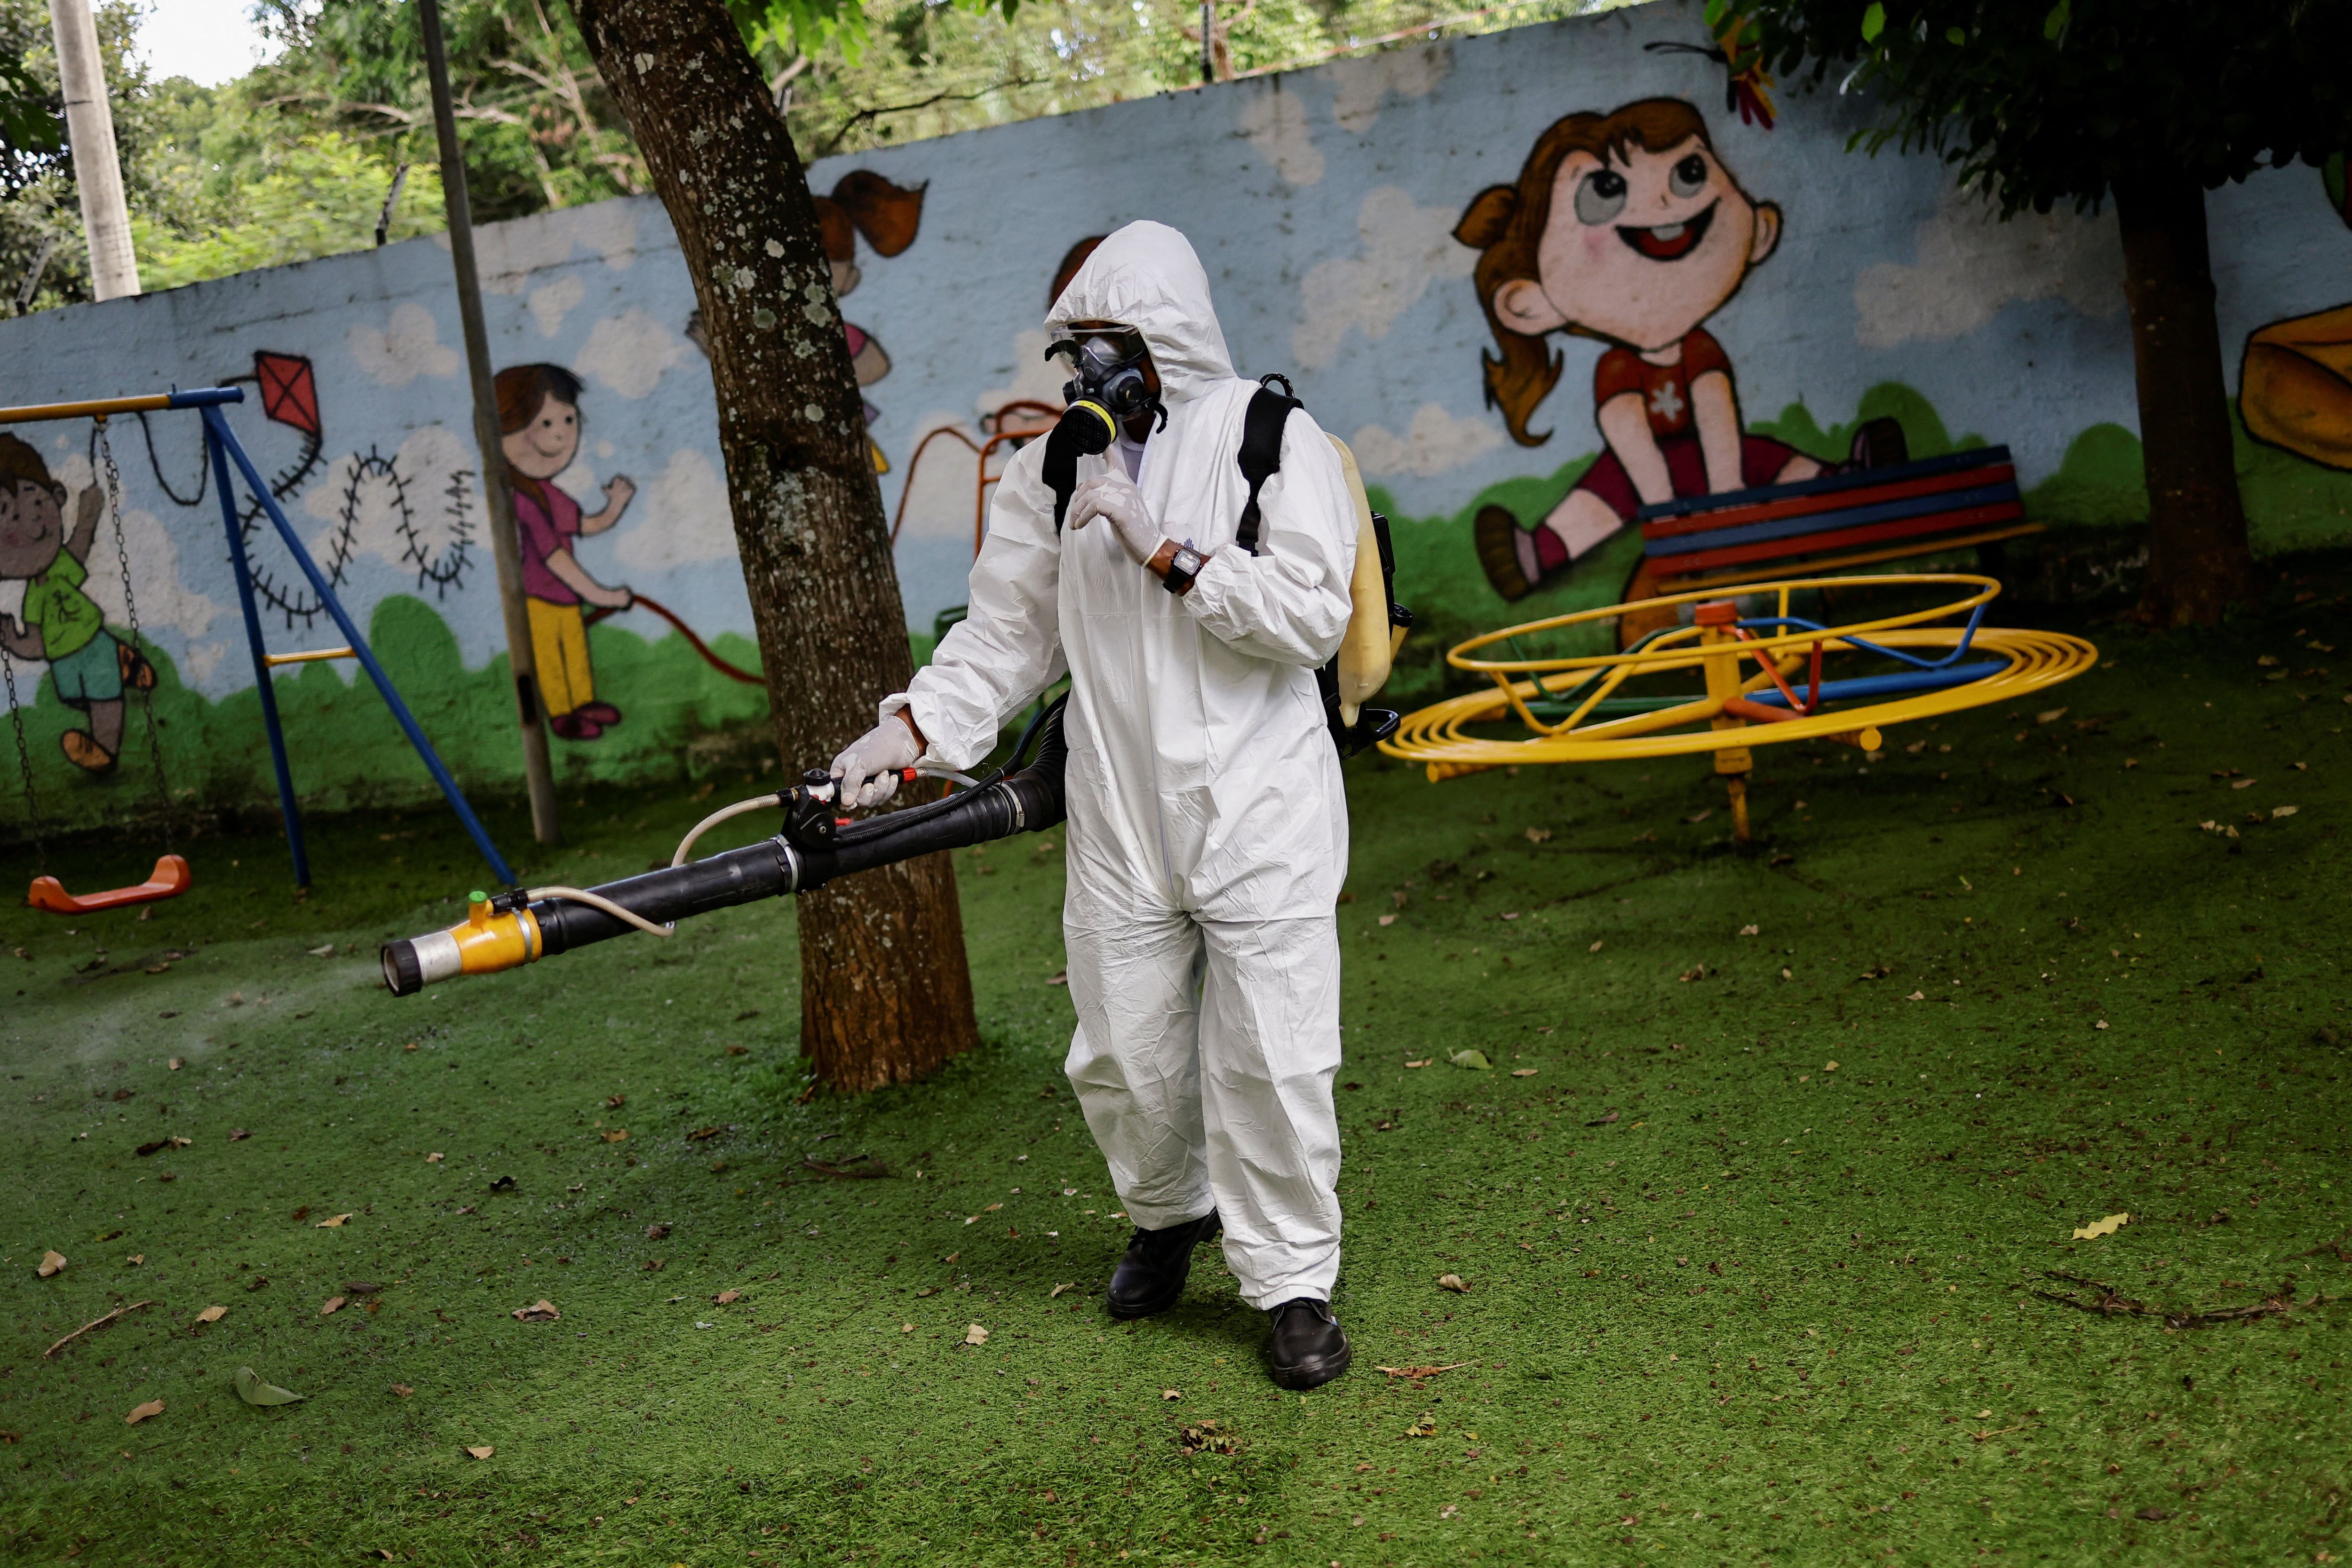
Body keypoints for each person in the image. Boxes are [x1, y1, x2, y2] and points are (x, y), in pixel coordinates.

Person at [830, 222, 1361, 1389]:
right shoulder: (1053, 466)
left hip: (1259, 800)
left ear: (1165, 335)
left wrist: (1163, 545)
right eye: (1076, 347)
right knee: (1122, 1046)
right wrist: (908, 732)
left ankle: (1292, 1285)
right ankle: (1171, 1212)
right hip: (1119, 802)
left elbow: (1310, 618)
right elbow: (1006, 635)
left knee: (1272, 1054)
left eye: (1111, 343)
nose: (1091, 370)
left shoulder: (1272, 436)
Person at [1455, 98, 1885, 601]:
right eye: (1605, 191)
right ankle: (1542, 549)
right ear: (1529, 304)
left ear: (1759, 231)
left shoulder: (1699, 350)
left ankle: (1844, 482)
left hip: (1713, 462)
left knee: (1761, 458)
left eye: (1688, 173)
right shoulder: (1618, 369)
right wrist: (1663, 509)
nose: (1662, 206)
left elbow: (1716, 411)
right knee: (1611, 486)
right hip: (1647, 475)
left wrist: (1727, 497)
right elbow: (1629, 434)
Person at [494, 364, 636, 741]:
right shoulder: (522, 500)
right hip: (539, 598)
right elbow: (555, 557)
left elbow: (587, 525)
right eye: (545, 423)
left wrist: (617, 504)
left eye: (568, 419)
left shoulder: (552, 495)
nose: (561, 433)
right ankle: (562, 714)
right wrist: (602, 594)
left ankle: (583, 703)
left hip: (565, 598)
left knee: (574, 651)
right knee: (550, 657)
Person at [0, 433, 150, 772]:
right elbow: (37, 643)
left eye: (32, 504)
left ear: (56, 496)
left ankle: (105, 750)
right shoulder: (32, 600)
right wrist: (12, 640)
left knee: (104, 698)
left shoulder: (60, 568)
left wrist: (89, 514)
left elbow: (80, 546)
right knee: (75, 696)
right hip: (64, 661)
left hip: (93, 644)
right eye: (4, 513)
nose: (23, 525)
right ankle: (124, 661)